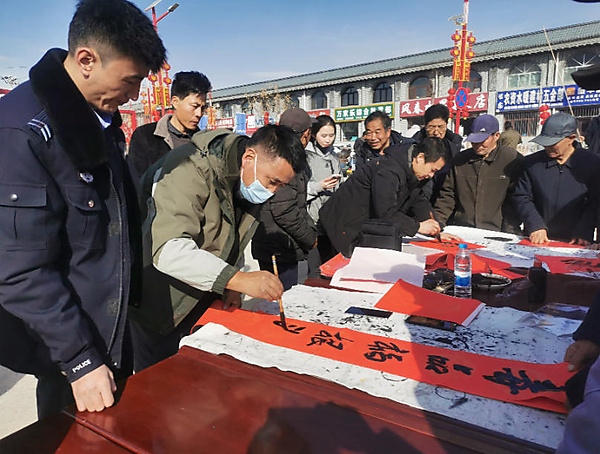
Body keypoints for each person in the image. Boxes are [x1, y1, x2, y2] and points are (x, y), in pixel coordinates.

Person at [0, 0, 166, 417]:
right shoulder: (22, 131)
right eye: (130, 81)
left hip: (109, 326)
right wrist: (79, 360)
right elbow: (20, 270)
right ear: (87, 60)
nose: (134, 95)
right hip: (68, 347)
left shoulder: (97, 119)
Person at [130, 124, 306, 371]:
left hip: (203, 295)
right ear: (249, 157)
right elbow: (169, 250)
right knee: (159, 381)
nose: (272, 192)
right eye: (272, 182)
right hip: (160, 302)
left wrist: (230, 284)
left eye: (281, 186)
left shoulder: (248, 179)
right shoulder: (188, 167)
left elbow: (234, 236)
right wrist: (236, 279)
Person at [319, 137, 449, 258]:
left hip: (361, 226)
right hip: (342, 225)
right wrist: (417, 227)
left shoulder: (414, 171)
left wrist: (436, 230)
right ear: (420, 157)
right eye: (432, 170)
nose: (431, 175)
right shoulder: (389, 170)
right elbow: (386, 211)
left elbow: (419, 200)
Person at [251, 108, 317, 290]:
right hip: (278, 246)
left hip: (275, 243)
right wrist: (310, 238)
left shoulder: (275, 154)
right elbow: (284, 210)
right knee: (280, 296)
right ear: (306, 134)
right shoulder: (286, 162)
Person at [513, 112, 600, 245]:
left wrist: (584, 230)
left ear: (571, 138)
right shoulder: (532, 163)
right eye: (545, 143)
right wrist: (535, 225)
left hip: (576, 241)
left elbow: (595, 202)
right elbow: (522, 196)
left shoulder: (593, 164)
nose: (547, 147)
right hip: (538, 239)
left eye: (553, 143)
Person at [434, 114, 522, 233]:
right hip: (463, 229)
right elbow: (447, 195)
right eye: (474, 141)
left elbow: (516, 200)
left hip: (497, 231)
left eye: (482, 140)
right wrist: (438, 222)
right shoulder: (460, 160)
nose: (477, 145)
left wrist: (509, 232)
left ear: (496, 136)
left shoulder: (512, 160)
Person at [128, 71, 212, 177]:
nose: (199, 114)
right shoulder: (144, 136)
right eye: (194, 106)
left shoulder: (204, 142)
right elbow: (136, 180)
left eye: (203, 108)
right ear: (175, 102)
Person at [305, 115, 342, 263]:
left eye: (331, 135)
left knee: (331, 262)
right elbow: (300, 190)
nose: (328, 140)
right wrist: (320, 186)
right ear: (314, 135)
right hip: (313, 219)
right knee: (315, 266)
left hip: (332, 219)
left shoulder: (334, 156)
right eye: (324, 135)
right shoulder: (306, 157)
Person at [412, 104, 463, 203]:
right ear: (425, 125)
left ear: (446, 124)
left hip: (445, 196)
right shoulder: (415, 144)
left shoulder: (454, 143)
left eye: (440, 127)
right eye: (431, 127)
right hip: (421, 196)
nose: (436, 132)